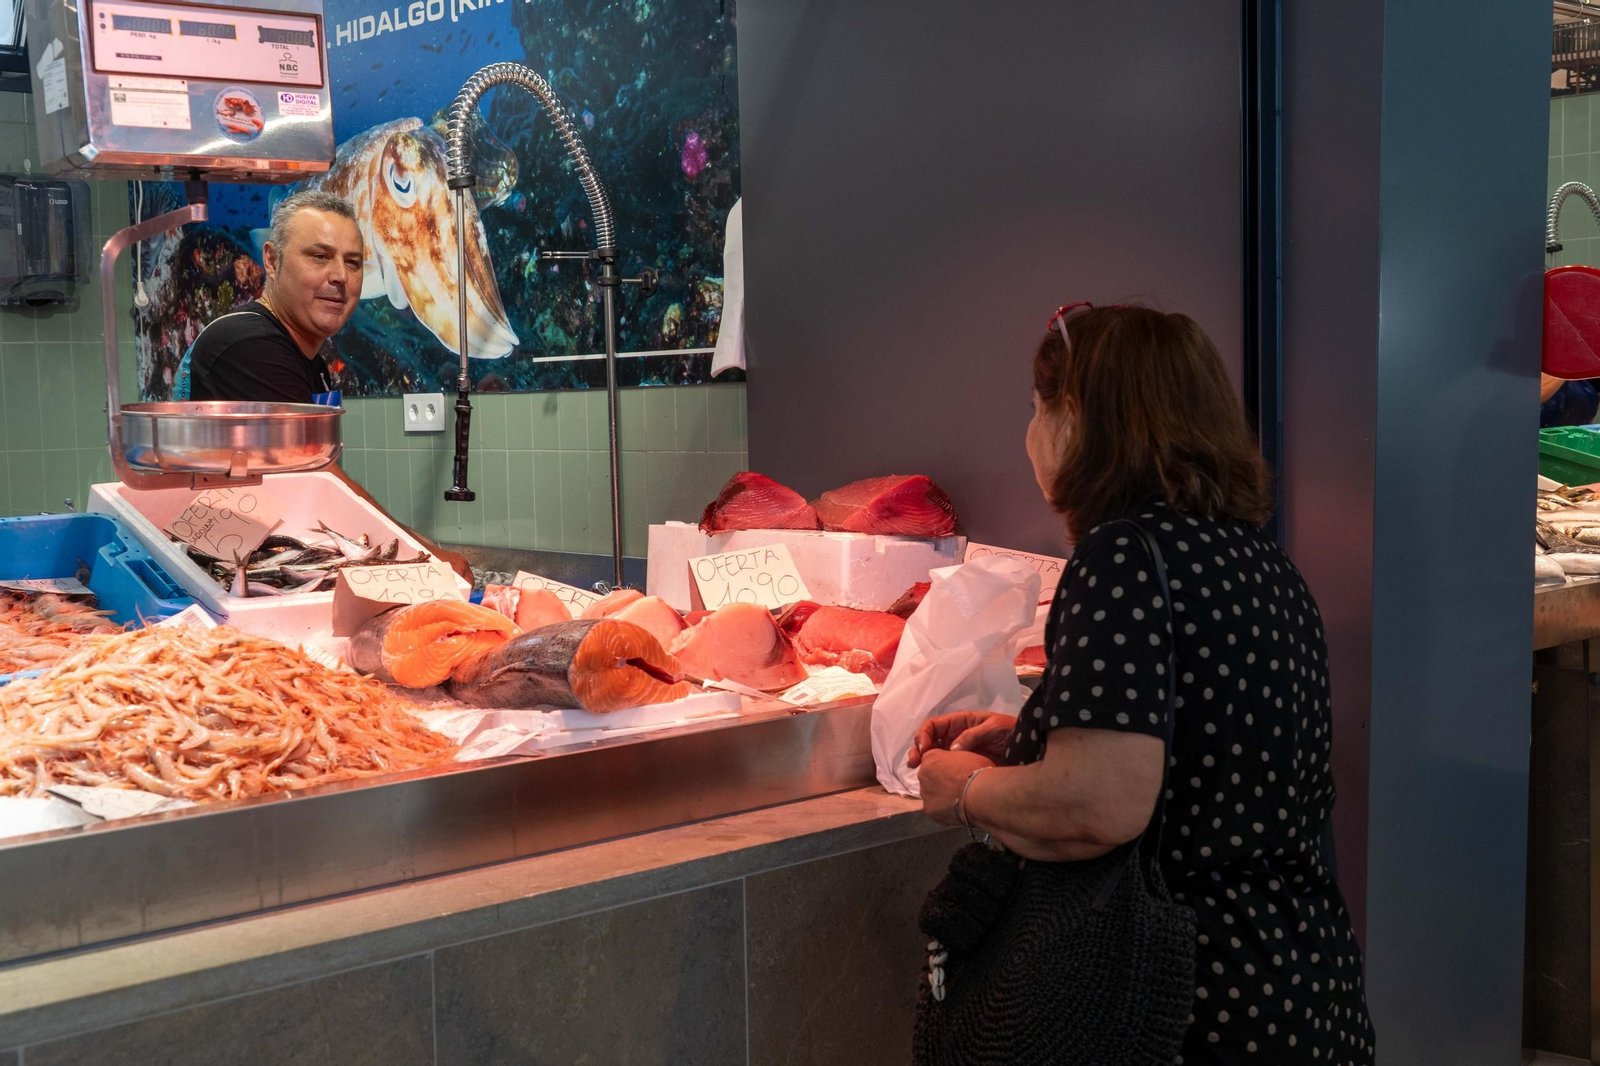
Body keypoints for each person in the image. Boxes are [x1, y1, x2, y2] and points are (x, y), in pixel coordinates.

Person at [908, 303, 1374, 1063]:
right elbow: (1203, 749)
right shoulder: (1262, 563)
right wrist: (1036, 733)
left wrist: (965, 791)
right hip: (1300, 989)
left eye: (1037, 408)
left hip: (1180, 1011)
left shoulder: (1121, 556)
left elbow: (1102, 804)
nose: (1030, 435)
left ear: (1080, 419)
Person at [175, 190, 470, 581]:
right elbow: (318, 478)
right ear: (272, 260)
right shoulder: (249, 344)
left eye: (353, 262)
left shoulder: (305, 358)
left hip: (259, 566)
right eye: (319, 256)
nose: (340, 276)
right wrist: (427, 557)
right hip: (215, 578)